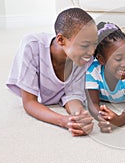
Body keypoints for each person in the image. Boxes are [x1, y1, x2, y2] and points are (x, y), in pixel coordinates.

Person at [6, 8, 98, 136]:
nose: (91, 51)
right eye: (84, 45)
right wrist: (63, 120)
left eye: (94, 44)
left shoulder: (82, 58)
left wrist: (78, 117)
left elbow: (72, 95)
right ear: (61, 40)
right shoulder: (32, 46)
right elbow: (29, 102)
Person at [86, 22, 125, 133]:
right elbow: (93, 104)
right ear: (101, 60)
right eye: (118, 59)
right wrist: (103, 118)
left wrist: (118, 121)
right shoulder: (93, 73)